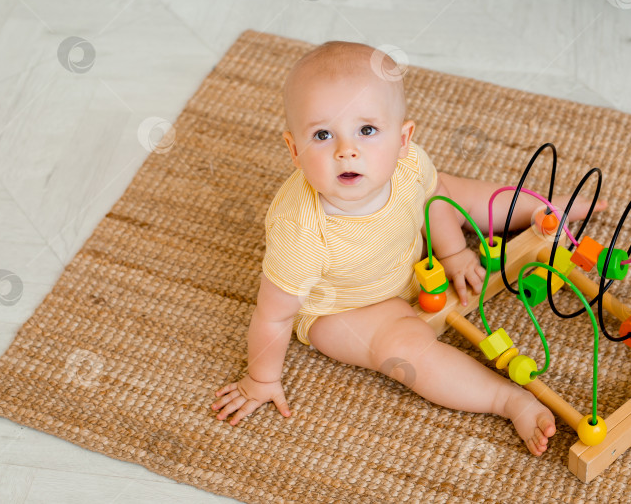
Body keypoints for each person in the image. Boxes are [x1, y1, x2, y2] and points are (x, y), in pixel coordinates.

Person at [212, 41, 605, 455]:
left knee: (462, 197)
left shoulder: (408, 164)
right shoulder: (300, 232)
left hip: (405, 246)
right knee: (401, 348)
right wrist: (261, 378)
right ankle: (506, 399)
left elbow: (434, 199)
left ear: (403, 139)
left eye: (366, 130)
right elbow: (272, 317)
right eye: (323, 134)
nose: (347, 150)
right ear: (294, 150)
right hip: (345, 308)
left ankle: (549, 208)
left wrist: (453, 251)